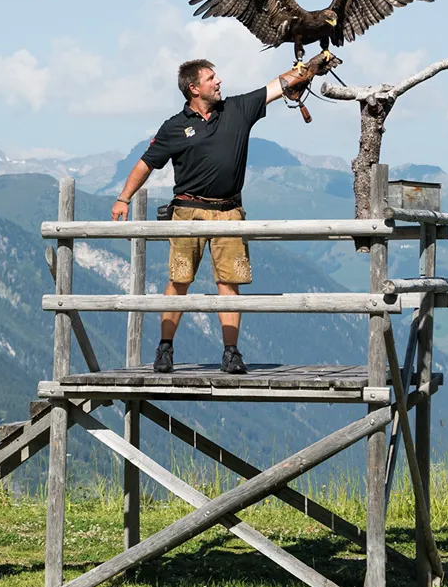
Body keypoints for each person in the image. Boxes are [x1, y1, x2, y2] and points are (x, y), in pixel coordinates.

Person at [110, 54, 333, 374]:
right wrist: (123, 198)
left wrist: (306, 68)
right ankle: (165, 349)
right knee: (179, 280)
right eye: (211, 78)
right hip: (187, 212)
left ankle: (231, 353)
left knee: (229, 283)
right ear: (193, 88)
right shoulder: (174, 126)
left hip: (229, 211)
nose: (219, 82)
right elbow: (146, 163)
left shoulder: (238, 109)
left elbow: (278, 85)